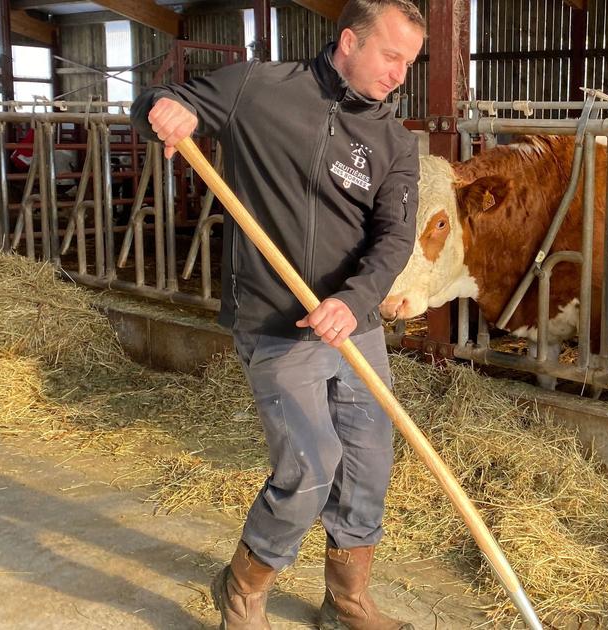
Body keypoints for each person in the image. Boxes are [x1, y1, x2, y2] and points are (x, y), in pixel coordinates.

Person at [130, 2, 425, 628]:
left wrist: (354, 301)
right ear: (350, 41)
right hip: (275, 322)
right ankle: (242, 589)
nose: (400, 74)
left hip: (354, 326)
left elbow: (395, 238)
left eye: (410, 63)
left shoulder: (394, 142)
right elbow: (158, 101)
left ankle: (346, 602)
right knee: (311, 467)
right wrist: (166, 107)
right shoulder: (258, 89)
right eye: (391, 56)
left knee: (369, 461)